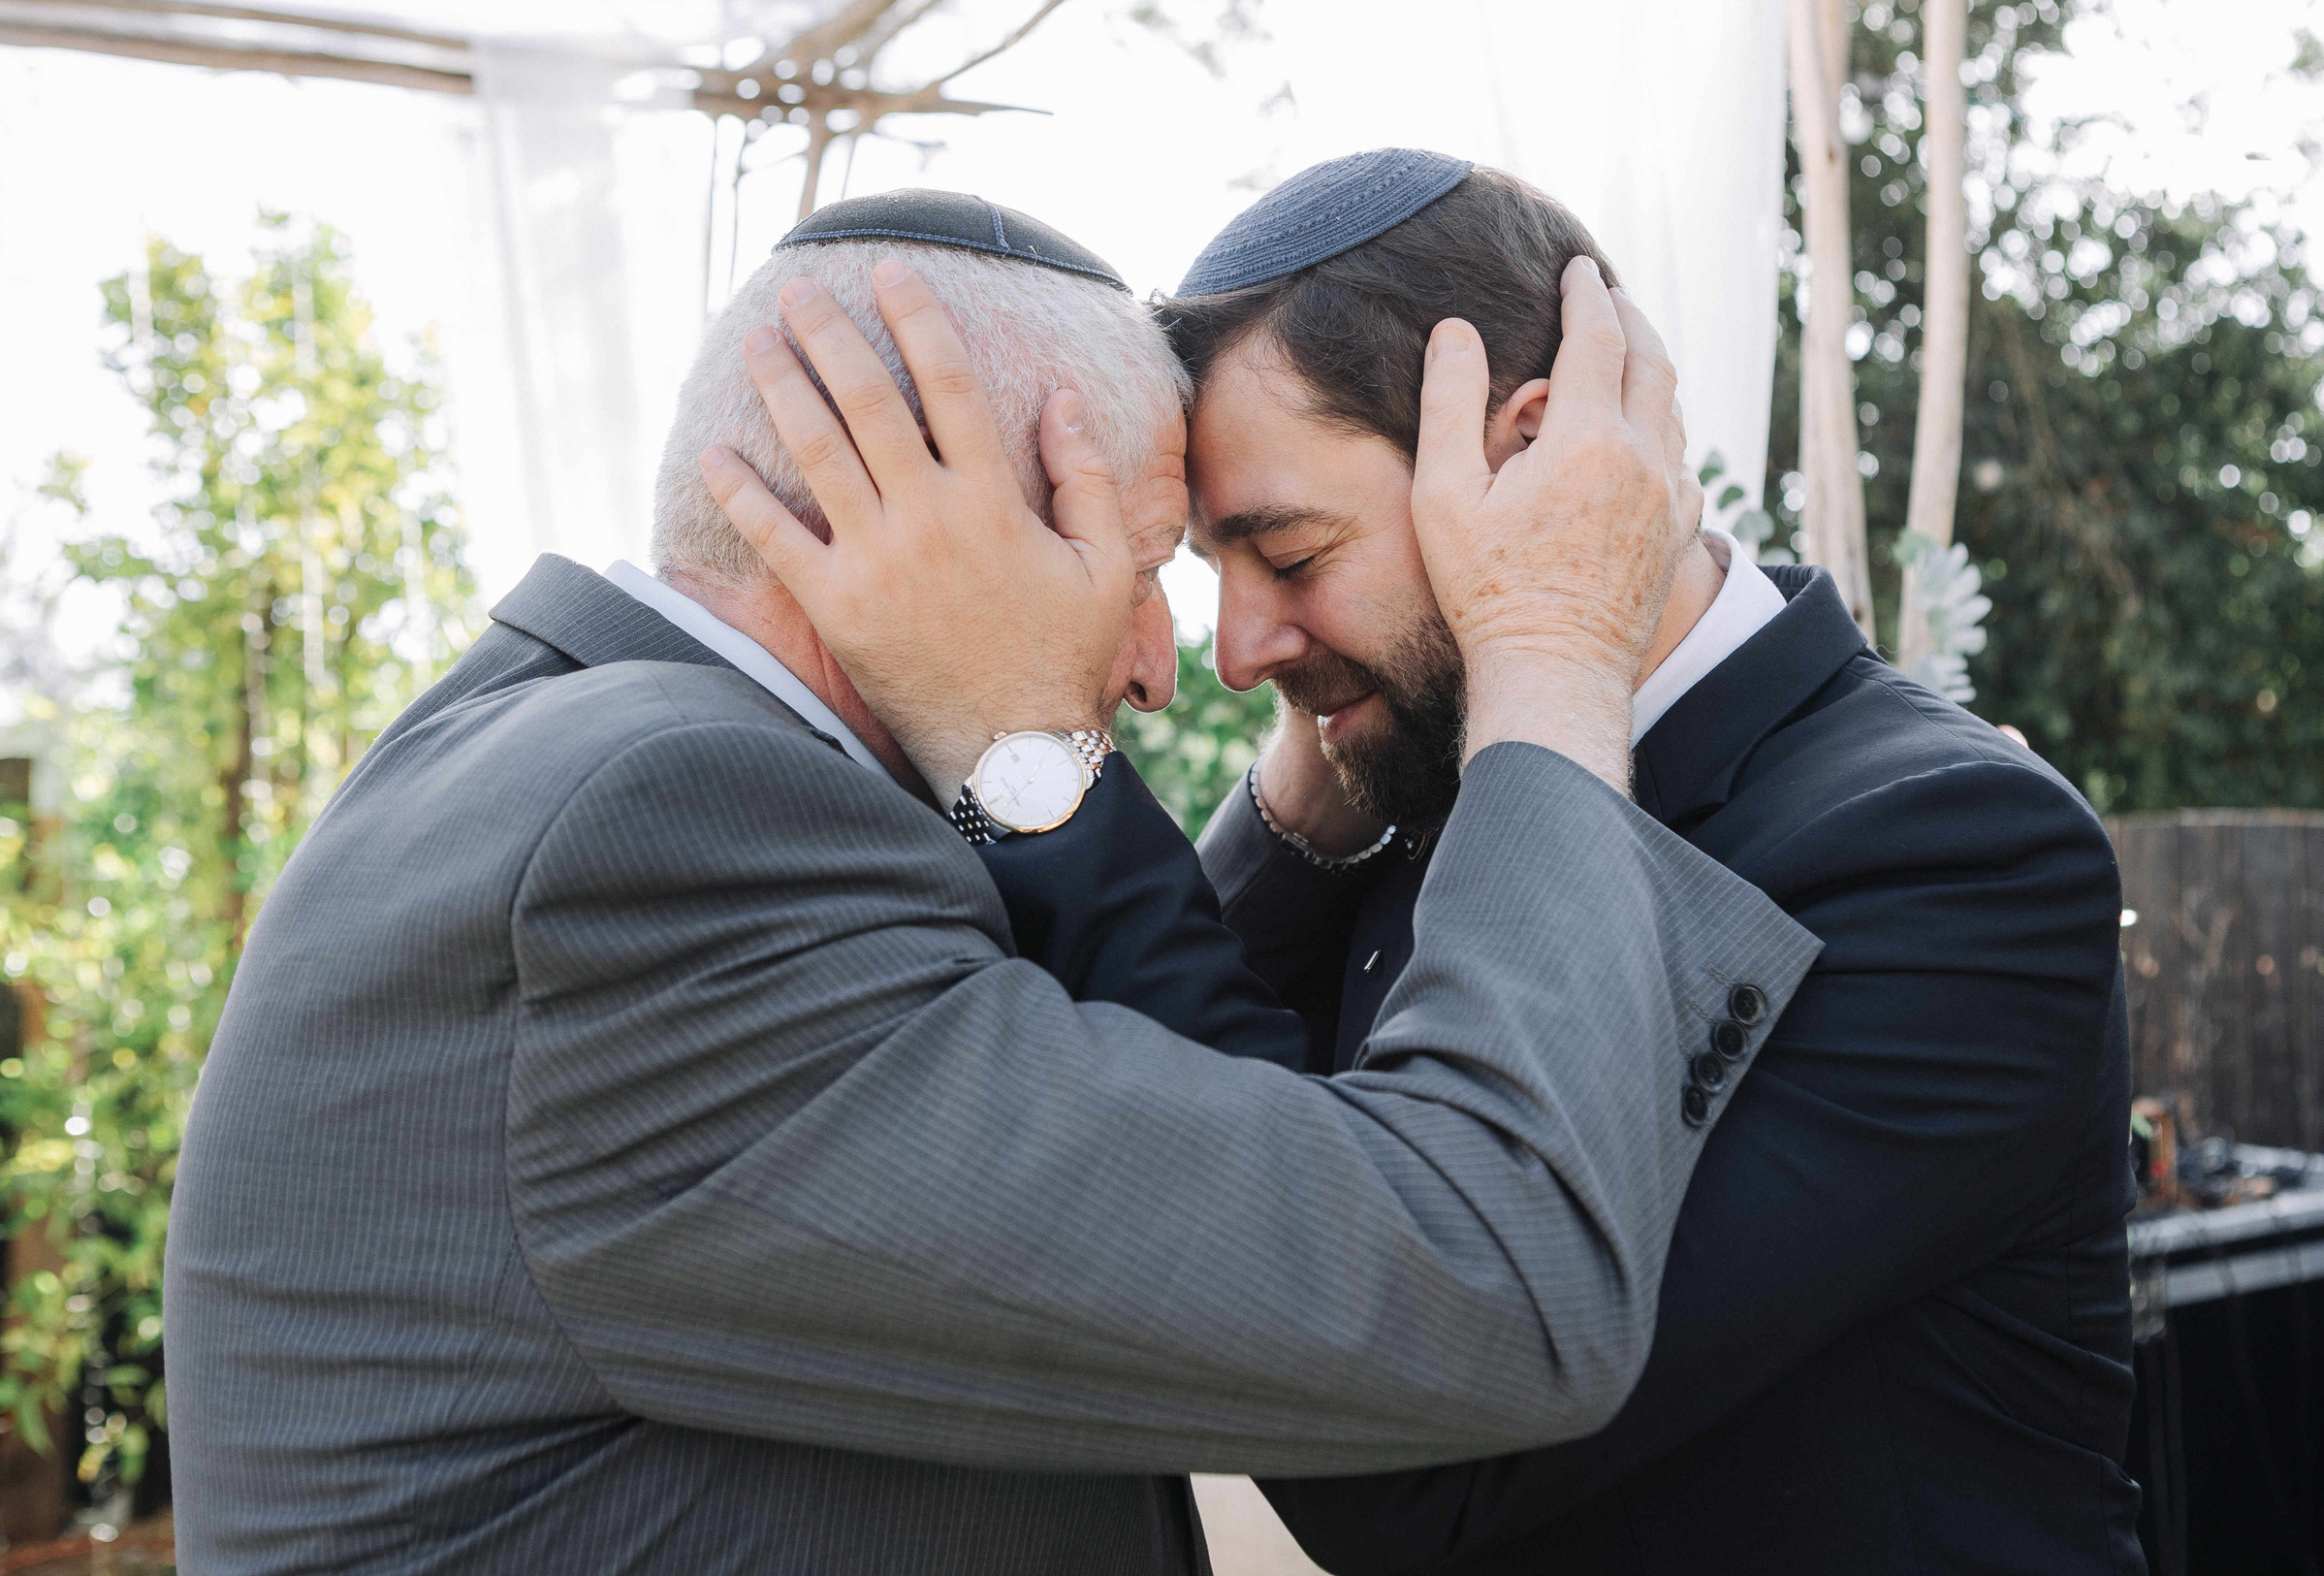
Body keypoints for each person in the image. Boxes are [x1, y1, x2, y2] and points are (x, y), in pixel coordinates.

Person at [161, 189, 1819, 1575]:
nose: (1178, 665)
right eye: (1152, 565)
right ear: (963, 513)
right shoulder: (665, 835)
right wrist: (1544, 650)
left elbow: (1133, 1108)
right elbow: (1481, 1281)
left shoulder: (569, 750)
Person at [1115, 151, 2143, 1573]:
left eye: (1287, 552)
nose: (1232, 653)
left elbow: (1415, 1452)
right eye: (1211, 574)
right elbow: (1140, 1105)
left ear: (1530, 451)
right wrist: (1322, 747)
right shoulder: (1429, 781)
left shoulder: (1958, 851)